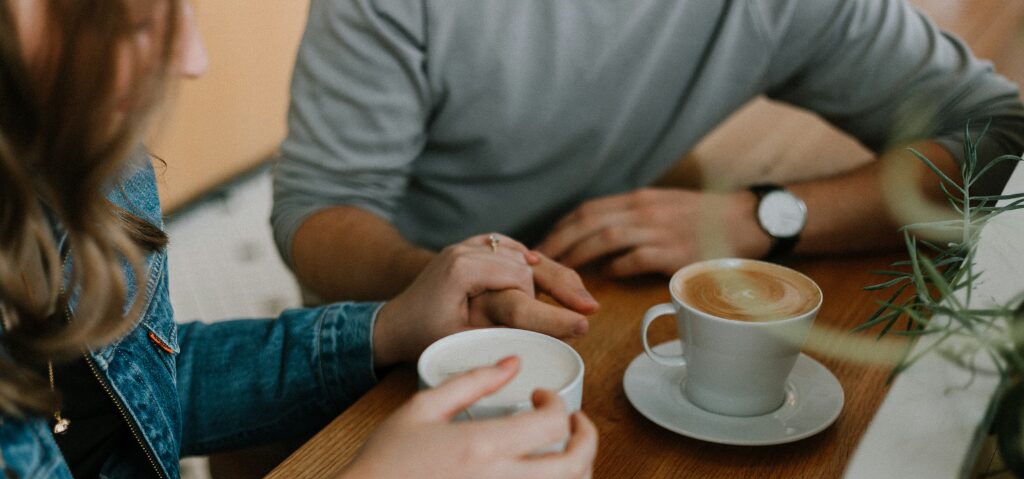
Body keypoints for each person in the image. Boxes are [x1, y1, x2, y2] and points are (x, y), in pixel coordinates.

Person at [0, 2, 598, 479]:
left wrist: (384, 328)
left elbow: (129, 392)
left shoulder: (63, 153)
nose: (191, 60)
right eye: (137, 18)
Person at [272, 0, 1024, 305]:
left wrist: (767, 215)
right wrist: (433, 278)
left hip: (610, 288)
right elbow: (319, 212)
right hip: (397, 313)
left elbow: (1001, 132)